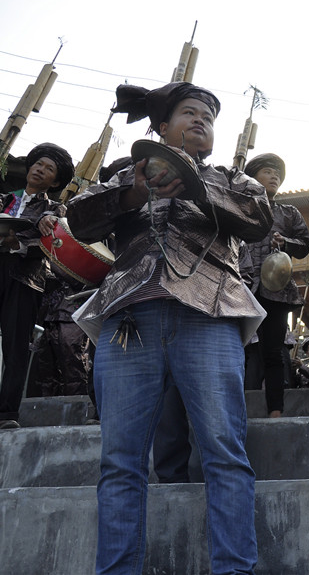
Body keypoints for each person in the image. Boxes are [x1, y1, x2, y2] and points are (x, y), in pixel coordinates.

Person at [68, 81, 271, 574]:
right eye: (189, 112)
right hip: (129, 320)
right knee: (120, 460)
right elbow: (79, 220)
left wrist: (198, 187)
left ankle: (234, 570)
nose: (201, 120)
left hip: (211, 315)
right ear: (161, 127)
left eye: (208, 116)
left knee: (224, 450)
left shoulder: (233, 180)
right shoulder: (122, 175)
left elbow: (259, 219)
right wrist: (136, 190)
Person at [0, 142, 72, 430]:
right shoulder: (5, 199)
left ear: (56, 181)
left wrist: (20, 244)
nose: (40, 169)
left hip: (25, 279)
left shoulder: (55, 210)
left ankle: (6, 414)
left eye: (49, 168)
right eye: (38, 163)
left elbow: (54, 245)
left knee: (16, 347)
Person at [243, 152, 309, 417]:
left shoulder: (289, 212)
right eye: (268, 171)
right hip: (241, 287)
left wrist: (286, 243)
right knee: (234, 350)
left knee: (273, 352)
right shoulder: (240, 206)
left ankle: (276, 411)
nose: (275, 177)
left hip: (277, 290)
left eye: (277, 174)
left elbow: (305, 246)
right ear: (253, 176)